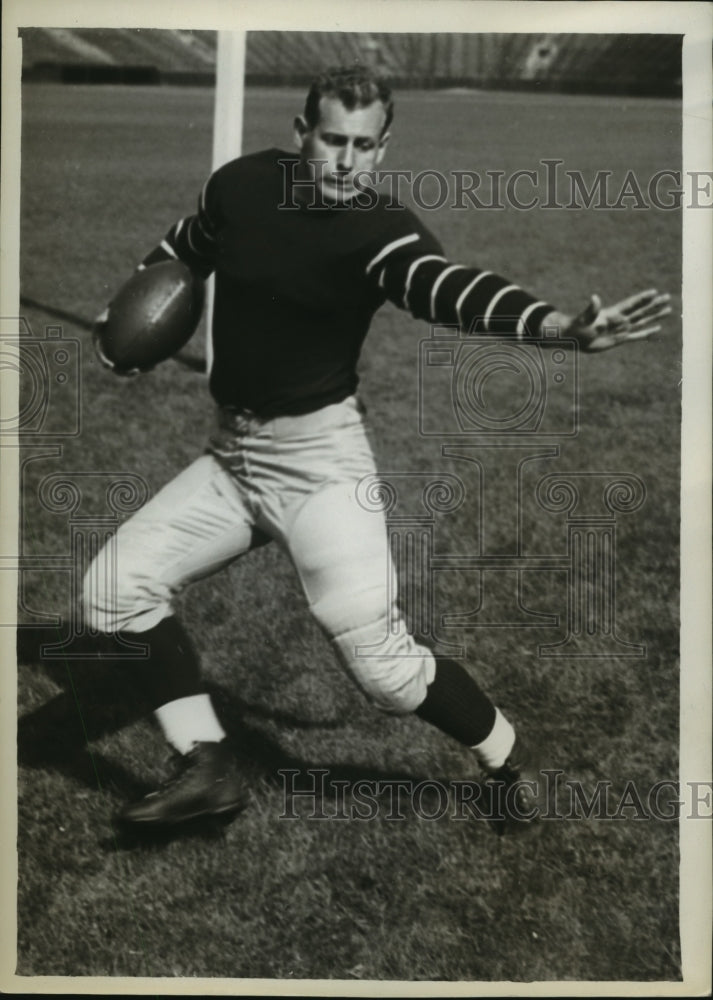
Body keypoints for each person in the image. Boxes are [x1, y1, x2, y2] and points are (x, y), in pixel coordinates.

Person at [86, 65, 670, 829]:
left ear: (382, 149)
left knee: (383, 672)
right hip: (231, 457)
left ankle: (503, 758)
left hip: (319, 464)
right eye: (333, 140)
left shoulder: (379, 231)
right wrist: (128, 310)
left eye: (364, 146)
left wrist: (560, 328)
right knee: (112, 590)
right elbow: (184, 247)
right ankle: (208, 768)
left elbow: (448, 286)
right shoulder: (242, 185)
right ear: (302, 135)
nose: (346, 161)